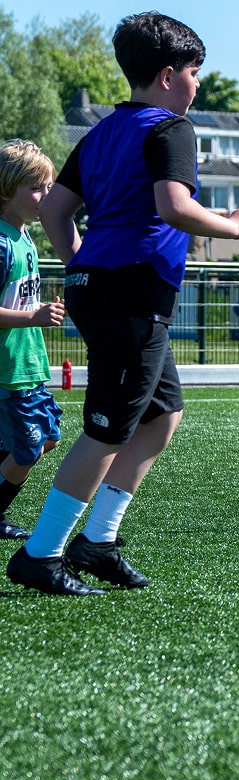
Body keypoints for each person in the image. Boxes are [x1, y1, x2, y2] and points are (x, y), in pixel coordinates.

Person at [6, 12, 239, 596]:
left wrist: (85, 267)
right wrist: (235, 225)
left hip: (107, 288)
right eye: (196, 72)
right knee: (108, 430)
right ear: (170, 75)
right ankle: (40, 555)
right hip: (131, 293)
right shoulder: (172, 128)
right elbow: (173, 206)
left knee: (161, 414)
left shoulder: (99, 132)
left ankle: (97, 542)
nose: (198, 84)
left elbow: (54, 211)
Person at [0, 140, 67, 540]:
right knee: (25, 450)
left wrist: (43, 310)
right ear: (7, 188)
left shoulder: (24, 238)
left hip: (29, 366)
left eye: (49, 187)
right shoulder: (3, 243)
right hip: (8, 370)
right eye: (37, 187)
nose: (46, 196)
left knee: (49, 439)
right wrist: (34, 316)